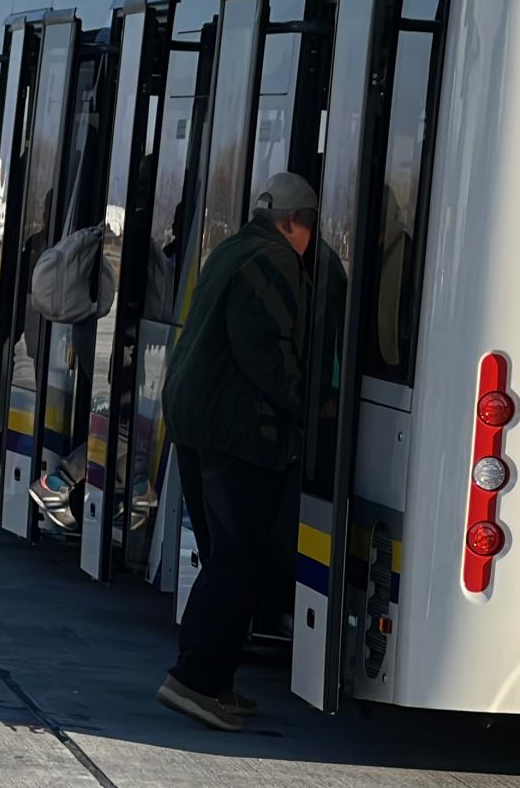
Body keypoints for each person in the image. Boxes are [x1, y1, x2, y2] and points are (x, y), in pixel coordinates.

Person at [155, 172, 317, 732]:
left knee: (223, 554)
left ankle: (215, 680)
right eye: (310, 230)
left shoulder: (231, 247)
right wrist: (314, 405)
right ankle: (196, 680)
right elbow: (265, 352)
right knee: (237, 559)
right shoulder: (275, 261)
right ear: (294, 222)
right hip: (238, 432)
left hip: (196, 423)